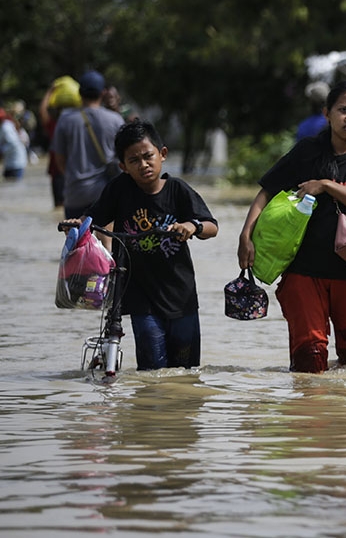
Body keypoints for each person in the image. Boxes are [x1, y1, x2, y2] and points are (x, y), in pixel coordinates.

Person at [238, 80, 346, 373]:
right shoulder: (306, 152)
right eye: (343, 110)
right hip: (305, 272)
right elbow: (266, 192)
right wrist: (246, 234)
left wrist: (326, 185)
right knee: (308, 360)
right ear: (327, 113)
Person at [63, 120, 219, 370]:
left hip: (181, 295)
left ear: (162, 154)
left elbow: (211, 226)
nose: (143, 165)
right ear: (123, 167)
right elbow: (93, 218)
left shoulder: (177, 190)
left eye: (148, 156)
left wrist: (192, 227)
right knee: (151, 370)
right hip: (139, 296)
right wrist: (76, 224)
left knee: (185, 371)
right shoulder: (119, 190)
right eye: (134, 161)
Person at [51, 70, 125, 218]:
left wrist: (74, 177)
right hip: (107, 194)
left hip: (76, 194)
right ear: (103, 93)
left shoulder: (65, 120)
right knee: (109, 239)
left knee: (78, 239)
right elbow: (124, 158)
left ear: (79, 92)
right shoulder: (116, 120)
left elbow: (59, 160)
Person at [38, 76, 81, 208]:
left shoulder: (56, 125)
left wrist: (50, 92)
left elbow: (42, 112)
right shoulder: (79, 123)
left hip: (58, 172)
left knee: (60, 209)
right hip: (77, 172)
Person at [0, 104, 28, 181]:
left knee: (15, 186)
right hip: (9, 162)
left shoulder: (6, 127)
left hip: (16, 162)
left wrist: (2, 150)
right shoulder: (4, 126)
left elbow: (13, 143)